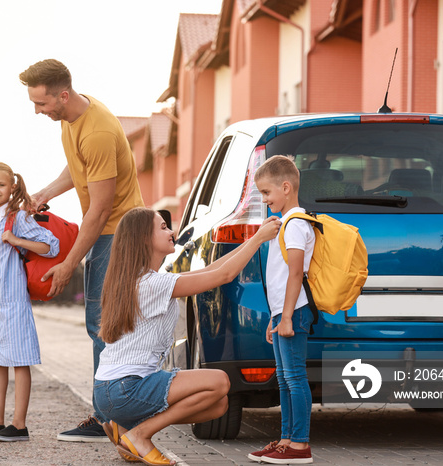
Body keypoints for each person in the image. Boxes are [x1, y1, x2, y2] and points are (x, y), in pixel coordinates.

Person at [94, 207, 281, 465]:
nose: (171, 232)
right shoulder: (153, 284)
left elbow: (214, 268)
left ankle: (126, 429)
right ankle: (140, 434)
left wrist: (254, 236)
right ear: (144, 239)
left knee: (218, 406)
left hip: (110, 391)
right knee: (220, 382)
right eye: (162, 227)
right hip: (125, 388)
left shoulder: (143, 281)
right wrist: (260, 240)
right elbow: (224, 276)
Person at [19, 58, 144, 442]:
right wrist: (43, 193)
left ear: (63, 94)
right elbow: (78, 169)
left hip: (118, 233)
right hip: (108, 230)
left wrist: (70, 264)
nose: (38, 112)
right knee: (105, 325)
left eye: (41, 104)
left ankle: (109, 418)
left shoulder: (98, 132)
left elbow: (101, 209)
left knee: (105, 325)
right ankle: (111, 414)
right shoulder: (74, 120)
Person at [0, 162, 60, 442]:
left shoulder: (17, 218)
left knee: (20, 362)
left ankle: (19, 425)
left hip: (14, 301)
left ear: (12, 187)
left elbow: (50, 245)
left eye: (1, 185)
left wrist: (16, 239)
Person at [248, 155, 315, 464]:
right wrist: (276, 317)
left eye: (267, 193)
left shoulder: (296, 224)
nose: (265, 199)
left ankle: (300, 444)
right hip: (283, 313)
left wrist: (286, 316)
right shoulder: (285, 224)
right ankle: (286, 440)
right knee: (285, 379)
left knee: (295, 377)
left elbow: (295, 274)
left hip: (294, 311)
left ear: (286, 187)